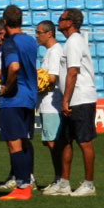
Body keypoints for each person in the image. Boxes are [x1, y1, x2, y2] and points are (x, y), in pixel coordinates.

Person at [50, 8, 97, 197]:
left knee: (84, 141)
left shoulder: (74, 41)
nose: (58, 21)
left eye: (61, 19)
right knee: (65, 140)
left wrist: (66, 100)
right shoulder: (71, 42)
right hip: (73, 99)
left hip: (80, 99)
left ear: (69, 22)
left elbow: (73, 71)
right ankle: (64, 182)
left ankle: (89, 184)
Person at [0, 5, 38, 201]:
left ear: (4, 22)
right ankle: (26, 183)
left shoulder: (9, 42)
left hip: (14, 99)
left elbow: (13, 67)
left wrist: (6, 87)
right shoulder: (31, 41)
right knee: (23, 141)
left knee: (14, 144)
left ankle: (22, 188)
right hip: (29, 97)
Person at [34, 20, 64, 194]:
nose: (37, 36)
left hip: (53, 104)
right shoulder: (49, 52)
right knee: (50, 142)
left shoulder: (55, 52)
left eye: (39, 32)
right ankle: (58, 178)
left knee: (53, 143)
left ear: (49, 33)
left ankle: (60, 179)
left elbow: (51, 78)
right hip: (46, 103)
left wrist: (35, 80)